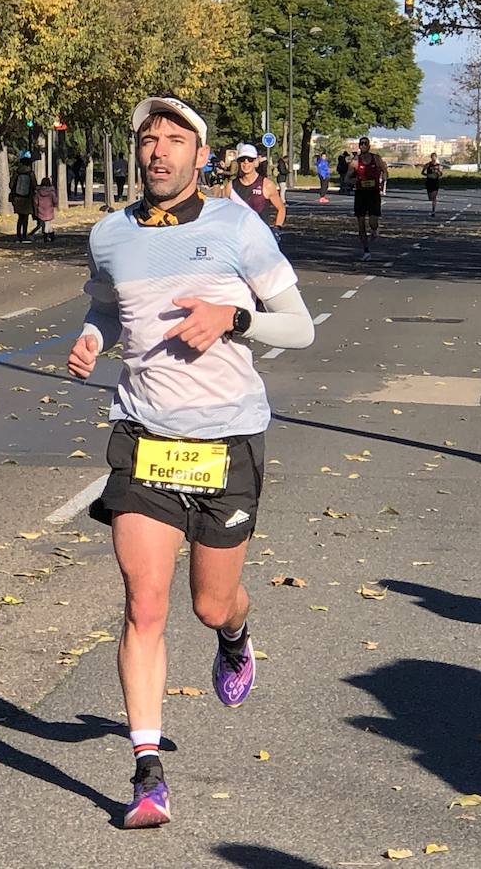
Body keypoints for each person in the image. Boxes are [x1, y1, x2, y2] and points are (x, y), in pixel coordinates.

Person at [67, 95, 314, 829]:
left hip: (227, 443)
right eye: (149, 138)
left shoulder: (239, 225)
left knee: (210, 602)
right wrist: (91, 335)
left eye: (176, 139)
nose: (160, 151)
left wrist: (233, 317)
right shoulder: (110, 235)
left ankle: (235, 635)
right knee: (143, 604)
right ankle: (148, 775)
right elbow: (109, 306)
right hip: (143, 438)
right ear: (137, 150)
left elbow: (298, 327)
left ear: (200, 157)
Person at [228, 143, 286, 241]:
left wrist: (276, 229)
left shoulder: (267, 185)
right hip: (237, 239)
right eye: (242, 159)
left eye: (250, 159)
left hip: (260, 239)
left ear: (256, 162)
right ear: (238, 162)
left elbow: (281, 209)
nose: (246, 162)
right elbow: (224, 213)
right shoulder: (230, 186)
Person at [345, 136, 387, 260]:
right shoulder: (355, 161)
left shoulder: (376, 158)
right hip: (361, 194)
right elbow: (347, 178)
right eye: (361, 144)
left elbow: (384, 171)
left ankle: (375, 229)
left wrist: (383, 178)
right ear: (359, 146)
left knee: (373, 221)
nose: (363, 146)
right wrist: (356, 180)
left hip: (373, 193)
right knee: (361, 223)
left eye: (365, 144)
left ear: (369, 146)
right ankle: (366, 250)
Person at [11, 153, 37, 242]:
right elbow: (34, 185)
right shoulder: (30, 173)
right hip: (27, 198)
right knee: (26, 217)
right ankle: (24, 234)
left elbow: (11, 185)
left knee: (20, 217)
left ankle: (18, 235)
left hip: (17, 198)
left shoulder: (17, 172)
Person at [34, 175, 58, 243]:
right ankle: (46, 236)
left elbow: (36, 201)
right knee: (47, 223)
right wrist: (55, 205)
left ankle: (50, 235)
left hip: (41, 209)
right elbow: (55, 201)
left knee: (47, 223)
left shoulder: (38, 192)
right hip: (49, 209)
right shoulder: (51, 192)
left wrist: (36, 208)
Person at [421, 153, 443, 217]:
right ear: (431, 158)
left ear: (436, 158)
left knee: (434, 197)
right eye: (432, 157)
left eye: (434, 157)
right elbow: (422, 172)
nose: (433, 158)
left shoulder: (438, 165)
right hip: (429, 181)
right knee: (430, 197)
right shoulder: (427, 165)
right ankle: (432, 204)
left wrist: (438, 172)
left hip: (435, 181)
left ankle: (433, 211)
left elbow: (441, 174)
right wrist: (427, 175)